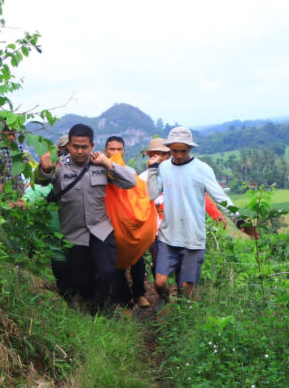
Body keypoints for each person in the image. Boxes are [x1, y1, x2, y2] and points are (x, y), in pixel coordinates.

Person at [146, 127, 254, 300]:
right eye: (175, 151)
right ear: (169, 149)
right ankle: (165, 301)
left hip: (192, 238)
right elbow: (151, 194)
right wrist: (153, 169)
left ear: (190, 149)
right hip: (168, 237)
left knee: (186, 287)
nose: (179, 155)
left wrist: (239, 221)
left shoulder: (202, 169)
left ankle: (183, 317)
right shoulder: (164, 168)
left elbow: (220, 197)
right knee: (159, 282)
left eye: (183, 151)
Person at [37, 124, 136, 309]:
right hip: (73, 233)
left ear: (92, 145)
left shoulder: (100, 164)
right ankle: (89, 305)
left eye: (84, 147)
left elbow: (130, 182)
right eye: (75, 146)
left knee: (107, 271)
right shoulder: (60, 167)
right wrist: (44, 169)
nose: (79, 151)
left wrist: (109, 164)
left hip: (101, 229)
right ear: (68, 145)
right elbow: (40, 181)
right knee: (81, 278)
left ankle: (100, 310)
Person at [139, 137, 227, 289]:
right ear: (149, 156)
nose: (160, 157)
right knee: (159, 269)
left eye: (164, 154)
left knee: (183, 272)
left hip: (183, 229)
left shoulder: (177, 170)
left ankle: (181, 301)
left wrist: (215, 212)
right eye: (155, 154)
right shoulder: (144, 178)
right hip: (156, 231)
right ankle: (163, 298)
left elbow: (199, 194)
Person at [103, 136, 150, 308]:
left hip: (128, 223)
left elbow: (139, 196)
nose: (115, 152)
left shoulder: (130, 172)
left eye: (119, 149)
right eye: (112, 149)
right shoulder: (99, 170)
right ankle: (125, 300)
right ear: (105, 151)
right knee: (116, 262)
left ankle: (139, 294)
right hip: (109, 223)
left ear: (124, 151)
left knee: (137, 258)